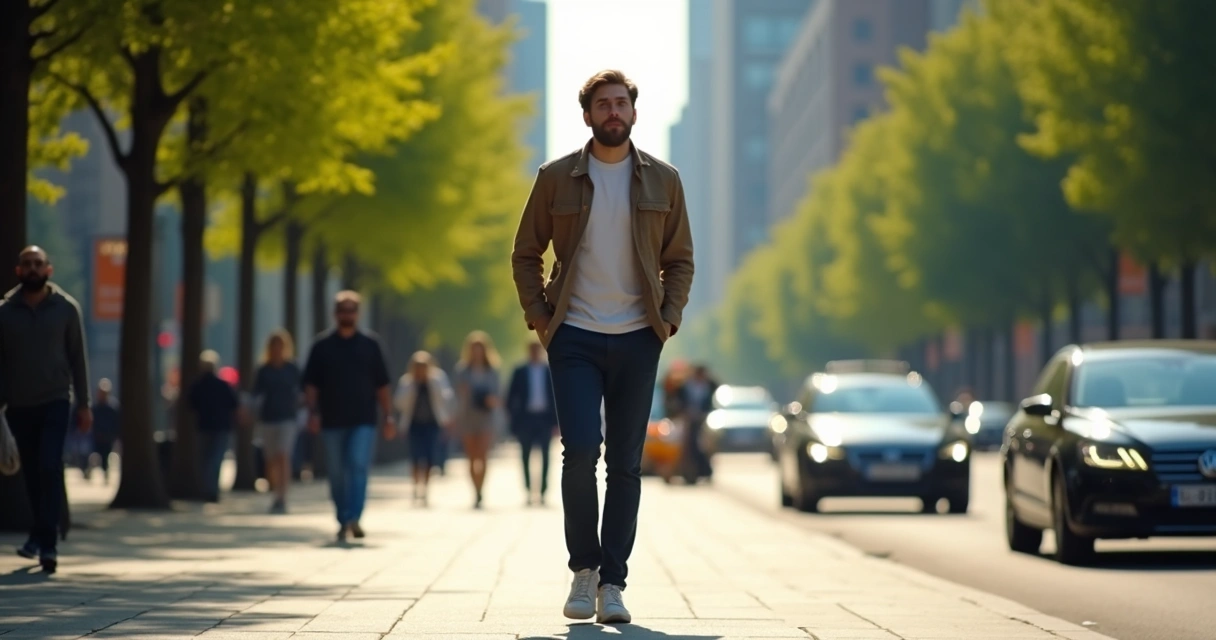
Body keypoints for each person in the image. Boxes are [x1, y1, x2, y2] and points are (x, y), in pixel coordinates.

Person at [510, 70, 694, 624]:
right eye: (602, 105)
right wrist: (541, 316)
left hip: (639, 335)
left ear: (634, 114)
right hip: (575, 335)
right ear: (587, 115)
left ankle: (614, 582)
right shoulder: (556, 178)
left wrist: (668, 316)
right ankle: (583, 570)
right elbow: (525, 253)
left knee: (625, 464)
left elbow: (679, 258)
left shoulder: (664, 180)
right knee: (580, 452)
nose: (613, 112)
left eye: (621, 104)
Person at [0, 246, 92, 574]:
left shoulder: (66, 309)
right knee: (31, 474)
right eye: (27, 264)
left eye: (38, 264)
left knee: (50, 466)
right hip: (19, 404)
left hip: (56, 401)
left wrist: (84, 404)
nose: (33, 269)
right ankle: (40, 534)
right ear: (19, 271)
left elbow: (78, 359)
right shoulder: (5, 312)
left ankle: (47, 543)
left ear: (49, 270)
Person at [302, 291, 394, 542]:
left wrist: (388, 416)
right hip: (331, 420)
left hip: (364, 419)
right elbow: (311, 385)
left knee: (357, 464)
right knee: (336, 471)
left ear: (358, 313)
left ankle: (354, 517)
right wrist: (312, 413)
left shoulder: (371, 345)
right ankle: (342, 518)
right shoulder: (321, 346)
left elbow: (382, 385)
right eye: (343, 309)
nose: (347, 314)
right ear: (335, 313)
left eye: (352, 309)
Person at [393, 350, 455, 506]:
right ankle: (415, 486)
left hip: (432, 424)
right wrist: (413, 387)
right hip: (414, 425)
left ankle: (425, 489)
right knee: (415, 457)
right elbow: (399, 403)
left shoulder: (437, 379)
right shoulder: (407, 382)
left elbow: (447, 398)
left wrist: (433, 386)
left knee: (429, 458)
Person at [252, 330, 302, 514]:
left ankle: (282, 496)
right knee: (271, 460)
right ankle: (275, 493)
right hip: (268, 419)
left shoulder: (293, 368)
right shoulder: (263, 370)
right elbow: (256, 394)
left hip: (288, 418)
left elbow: (302, 390)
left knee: (283, 455)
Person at [452, 331, 502, 510]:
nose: (477, 353)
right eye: (474, 349)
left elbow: (498, 394)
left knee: (483, 455)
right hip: (468, 416)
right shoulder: (462, 370)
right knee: (472, 457)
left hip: (486, 418)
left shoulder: (492, 370)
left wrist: (492, 400)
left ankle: (481, 488)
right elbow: (457, 394)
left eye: (480, 349)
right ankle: (475, 491)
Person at [506, 340, 558, 506]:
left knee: (546, 456)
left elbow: (557, 398)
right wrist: (513, 419)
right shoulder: (520, 371)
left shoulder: (550, 371)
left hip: (545, 419)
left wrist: (557, 423)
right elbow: (510, 396)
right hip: (526, 419)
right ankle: (528, 489)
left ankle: (542, 491)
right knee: (525, 455)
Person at [189, 350, 241, 503]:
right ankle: (212, 490)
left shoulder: (197, 386)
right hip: (222, 427)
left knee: (205, 459)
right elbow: (234, 404)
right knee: (216, 459)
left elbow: (190, 404)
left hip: (204, 426)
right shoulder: (223, 385)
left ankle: (207, 489)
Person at [678, 365, 718, 481]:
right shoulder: (686, 386)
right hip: (688, 420)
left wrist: (703, 413)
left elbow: (710, 403)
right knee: (689, 445)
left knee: (703, 445)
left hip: (702, 420)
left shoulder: (709, 386)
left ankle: (704, 470)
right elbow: (679, 400)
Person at [89, 379, 121, 484]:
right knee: (94, 454)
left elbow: (116, 422)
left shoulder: (112, 408)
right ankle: (88, 470)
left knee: (106, 455)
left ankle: (105, 471)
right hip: (97, 436)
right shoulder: (95, 408)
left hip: (108, 437)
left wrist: (115, 435)